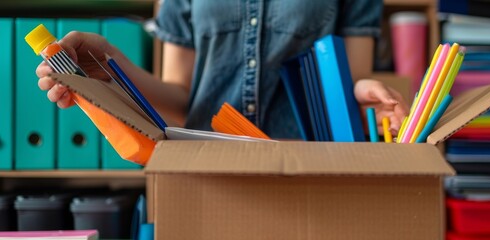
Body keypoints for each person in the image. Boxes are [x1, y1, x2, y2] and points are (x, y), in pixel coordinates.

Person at [36, 0, 409, 140]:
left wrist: (360, 93)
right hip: (206, 165)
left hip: (306, 166)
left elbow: (346, 83)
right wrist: (111, 67)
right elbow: (179, 96)